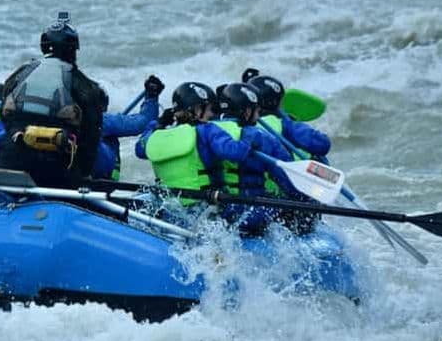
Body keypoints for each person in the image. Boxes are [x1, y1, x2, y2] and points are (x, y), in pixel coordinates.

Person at [135, 82, 288, 213]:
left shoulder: (155, 136)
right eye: (209, 109)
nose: (211, 114)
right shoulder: (207, 130)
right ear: (196, 109)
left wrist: (158, 123)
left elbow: (139, 149)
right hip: (205, 209)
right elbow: (234, 153)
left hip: (171, 209)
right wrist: (248, 138)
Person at [0, 12, 106, 188]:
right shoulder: (83, 85)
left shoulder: (20, 74)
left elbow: (4, 117)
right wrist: (84, 176)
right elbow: (91, 137)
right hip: (58, 169)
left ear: (43, 47)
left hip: (11, 160)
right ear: (73, 49)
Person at [213, 83, 300, 233]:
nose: (259, 116)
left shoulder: (204, 131)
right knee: (295, 209)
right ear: (247, 112)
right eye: (257, 111)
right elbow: (290, 181)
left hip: (215, 211)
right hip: (250, 214)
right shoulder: (260, 136)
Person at [92, 75, 164, 180]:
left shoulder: (103, 121)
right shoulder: (104, 120)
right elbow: (144, 122)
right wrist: (151, 97)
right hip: (100, 184)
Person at [247, 73, 331, 159]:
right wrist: (287, 118)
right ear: (276, 102)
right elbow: (323, 145)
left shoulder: (241, 122)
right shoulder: (284, 124)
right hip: (285, 169)